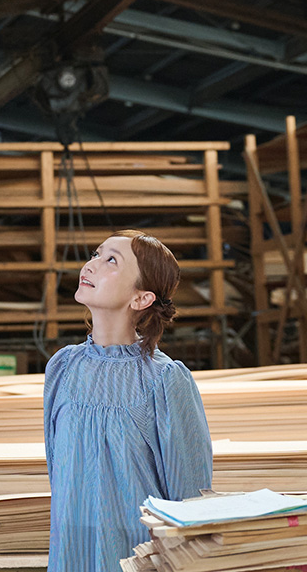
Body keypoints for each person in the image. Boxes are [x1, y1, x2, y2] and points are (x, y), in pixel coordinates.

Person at [43, 230, 213, 572]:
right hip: (70, 552)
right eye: (95, 254)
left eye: (111, 261)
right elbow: (57, 473)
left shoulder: (164, 379)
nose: (91, 265)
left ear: (141, 298)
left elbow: (190, 499)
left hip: (136, 557)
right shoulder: (62, 366)